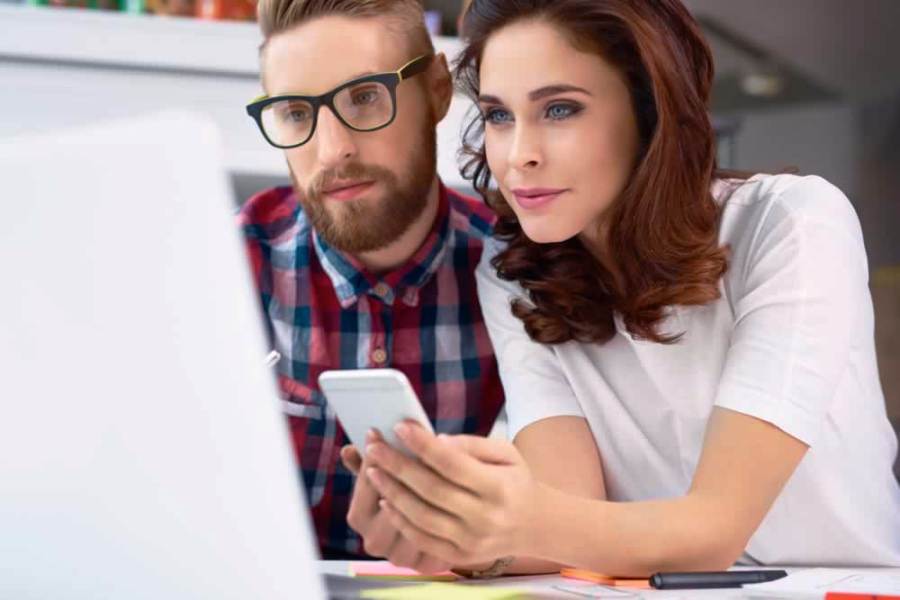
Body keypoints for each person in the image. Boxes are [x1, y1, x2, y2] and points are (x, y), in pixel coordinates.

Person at [347, 0, 900, 576]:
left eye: (559, 109)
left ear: (650, 111)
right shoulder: (514, 271)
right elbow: (568, 510)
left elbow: (713, 531)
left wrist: (513, 519)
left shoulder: (793, 222)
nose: (518, 156)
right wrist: (457, 538)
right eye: (498, 116)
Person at [239, 0, 503, 562]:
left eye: (364, 98)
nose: (333, 150)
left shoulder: (524, 275)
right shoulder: (227, 271)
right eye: (293, 112)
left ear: (436, 89)